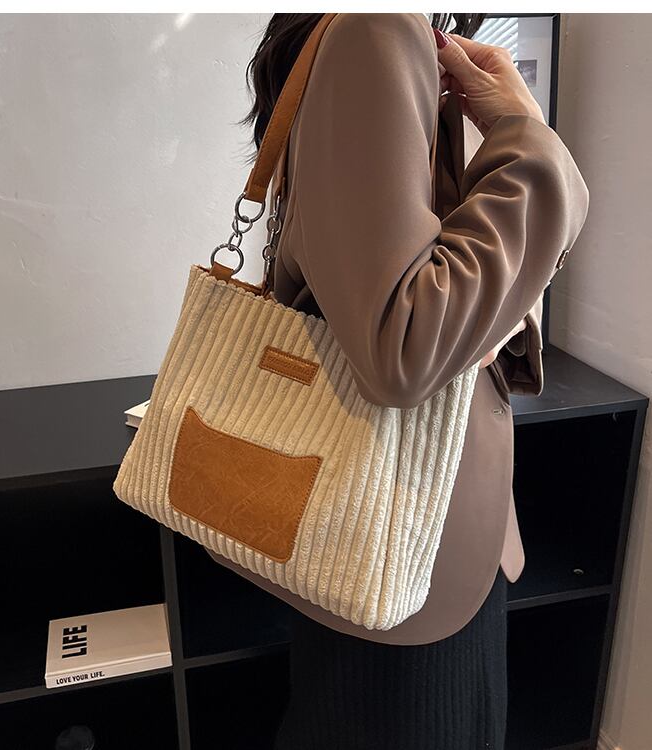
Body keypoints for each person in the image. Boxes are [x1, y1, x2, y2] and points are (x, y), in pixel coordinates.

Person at [211, 12, 590, 750]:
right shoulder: (377, 27)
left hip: (412, 522)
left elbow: (414, 305)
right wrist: (526, 137)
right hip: (407, 537)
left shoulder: (378, 31)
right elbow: (406, 343)